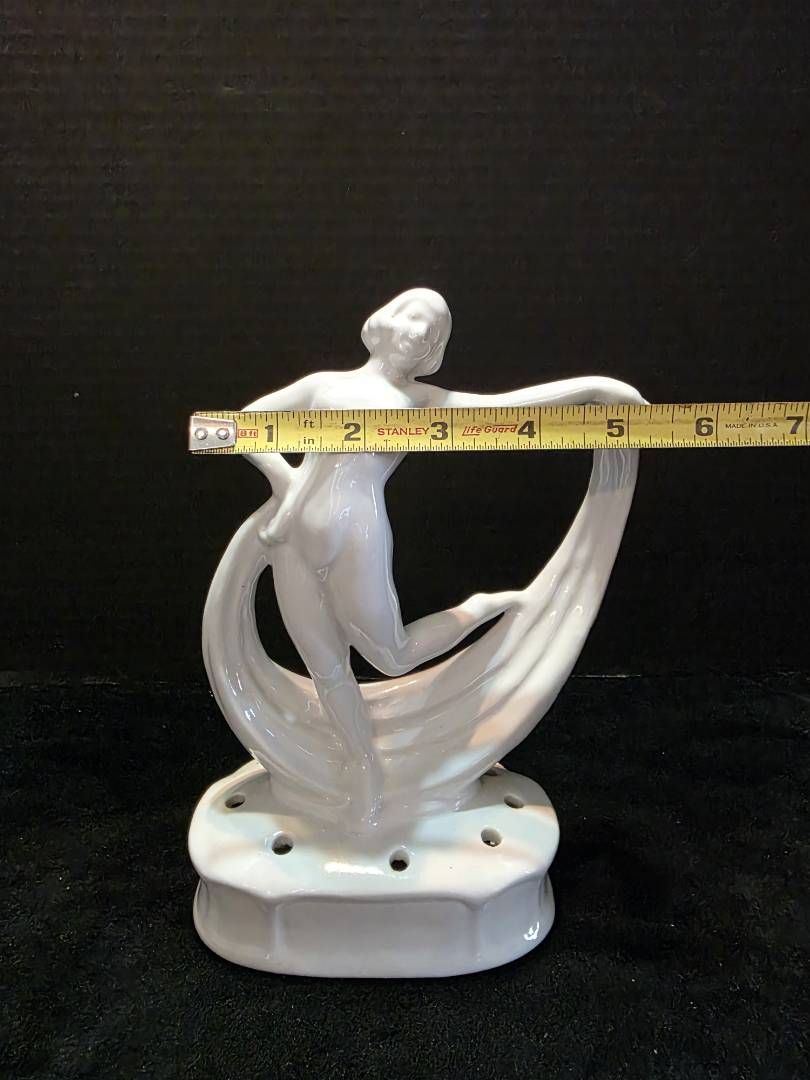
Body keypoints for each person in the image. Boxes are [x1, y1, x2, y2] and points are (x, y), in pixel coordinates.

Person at [243, 288, 641, 829]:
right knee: (327, 667)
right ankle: (364, 768)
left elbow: (507, 408)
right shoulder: (323, 386)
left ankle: (478, 607)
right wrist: (285, 481)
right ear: (386, 320)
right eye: (414, 318)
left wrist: (594, 389)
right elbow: (246, 423)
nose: (418, 334)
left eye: (432, 332)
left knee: (392, 656)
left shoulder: (423, 402)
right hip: (292, 539)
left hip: (358, 534)